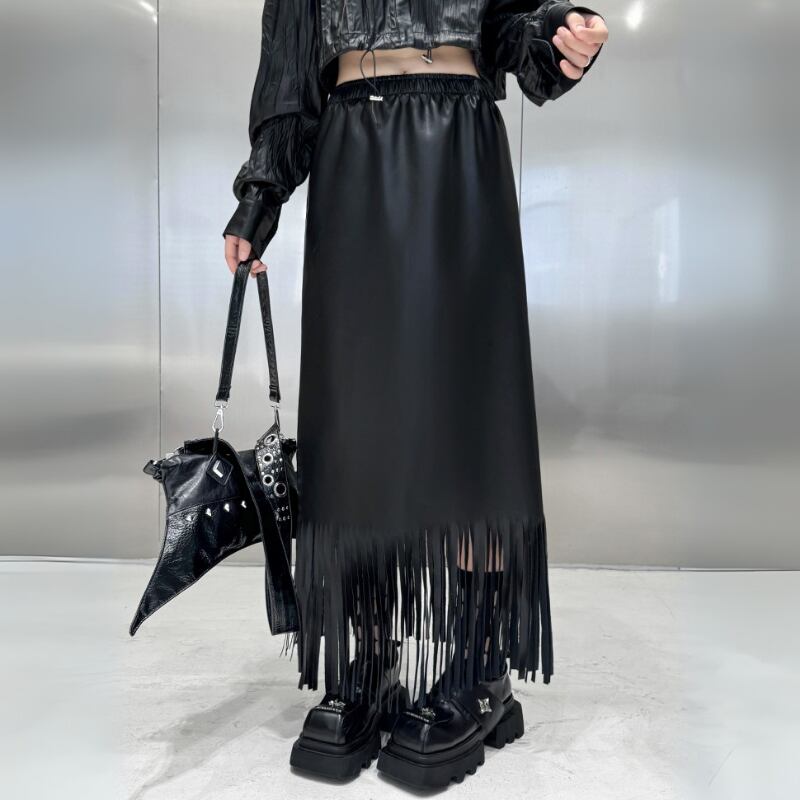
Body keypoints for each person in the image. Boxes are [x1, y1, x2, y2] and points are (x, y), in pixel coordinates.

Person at [222, 0, 608, 788]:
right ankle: (369, 658)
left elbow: (515, 30)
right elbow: (291, 62)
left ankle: (480, 666)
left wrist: (563, 36)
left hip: (459, 136)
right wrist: (262, 194)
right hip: (351, 146)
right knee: (355, 416)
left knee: (468, 412)